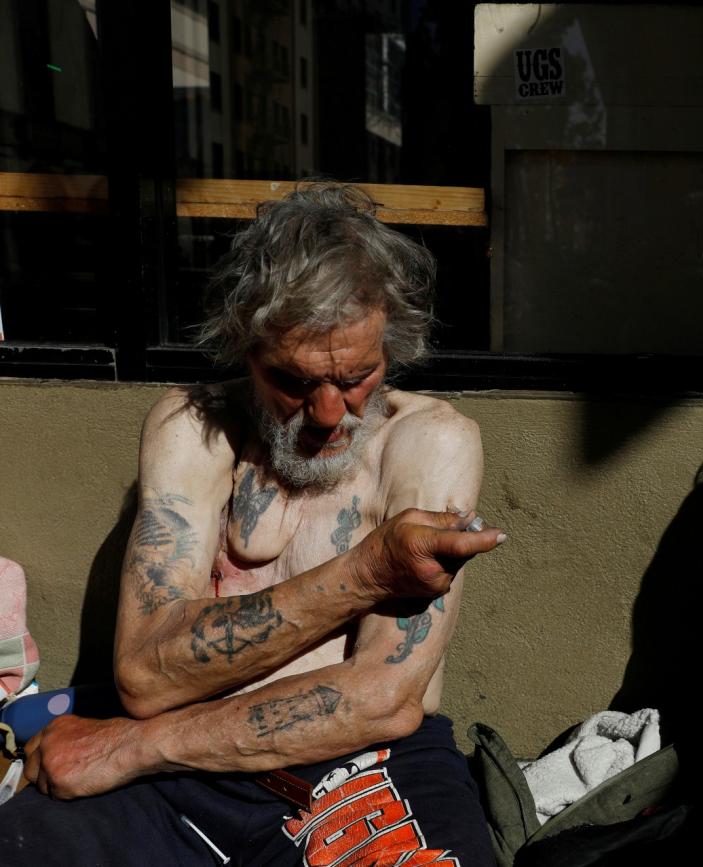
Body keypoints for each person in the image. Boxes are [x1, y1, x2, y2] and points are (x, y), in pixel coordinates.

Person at [0, 183, 504, 865]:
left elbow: (381, 698)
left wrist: (128, 747)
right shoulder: (195, 427)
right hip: (176, 778)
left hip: (356, 766)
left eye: (357, 375)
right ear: (246, 344)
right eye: (294, 381)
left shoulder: (431, 442)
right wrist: (366, 570)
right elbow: (146, 675)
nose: (329, 413)